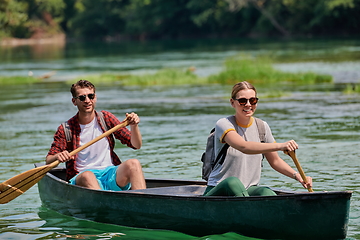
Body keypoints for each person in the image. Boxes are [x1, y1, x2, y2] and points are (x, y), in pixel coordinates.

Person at [204, 81, 312, 197]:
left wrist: (298, 176)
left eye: (253, 100)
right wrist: (281, 146)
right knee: (233, 182)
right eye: (242, 101)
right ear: (232, 103)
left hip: (247, 191)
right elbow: (244, 147)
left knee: (265, 191)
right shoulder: (224, 124)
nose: (248, 104)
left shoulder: (262, 127)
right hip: (219, 190)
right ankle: (250, 210)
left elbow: (275, 161)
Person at [46, 80, 146, 191]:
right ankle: (104, 204)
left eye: (91, 96)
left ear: (95, 97)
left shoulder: (106, 118)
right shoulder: (66, 129)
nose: (87, 101)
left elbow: (136, 145)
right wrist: (58, 156)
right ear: (74, 101)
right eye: (82, 98)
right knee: (88, 175)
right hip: (82, 176)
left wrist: (134, 126)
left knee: (134, 164)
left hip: (110, 174)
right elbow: (49, 160)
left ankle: (142, 202)